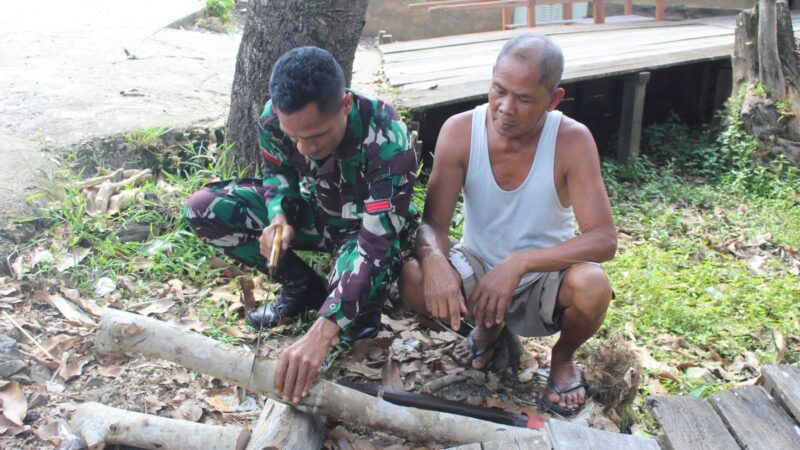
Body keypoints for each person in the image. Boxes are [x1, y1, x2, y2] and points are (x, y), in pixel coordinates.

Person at [185, 46, 418, 404]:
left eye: (315, 137)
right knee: (206, 209)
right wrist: (279, 215)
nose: (303, 147)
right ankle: (303, 287)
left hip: (362, 229)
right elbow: (276, 172)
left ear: (345, 106)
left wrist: (321, 333)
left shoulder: (387, 137)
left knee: (354, 320)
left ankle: (343, 306)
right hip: (313, 211)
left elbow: (377, 246)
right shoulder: (276, 116)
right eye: (293, 136)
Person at [399, 34, 616, 416]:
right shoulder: (460, 130)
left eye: (524, 98)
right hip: (477, 269)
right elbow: (432, 223)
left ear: (553, 100)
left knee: (593, 286)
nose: (505, 107)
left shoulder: (572, 140)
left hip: (545, 277)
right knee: (414, 278)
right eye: (499, 90)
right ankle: (486, 329)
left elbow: (603, 240)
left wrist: (519, 263)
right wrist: (434, 259)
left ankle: (563, 358)